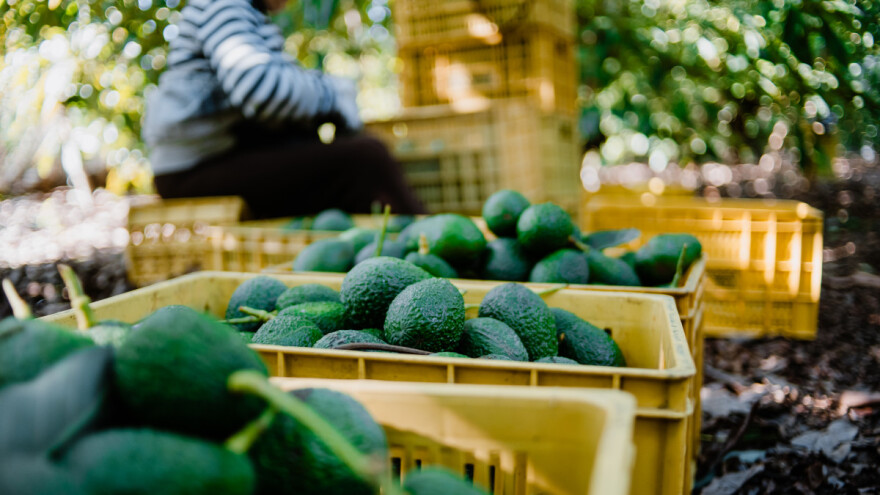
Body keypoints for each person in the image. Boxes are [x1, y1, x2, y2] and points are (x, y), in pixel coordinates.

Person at [143, 0, 425, 218]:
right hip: (194, 170)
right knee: (366, 160)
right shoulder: (225, 5)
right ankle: (427, 255)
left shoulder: (248, 14)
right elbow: (259, 89)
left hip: (219, 157)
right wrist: (333, 95)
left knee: (327, 152)